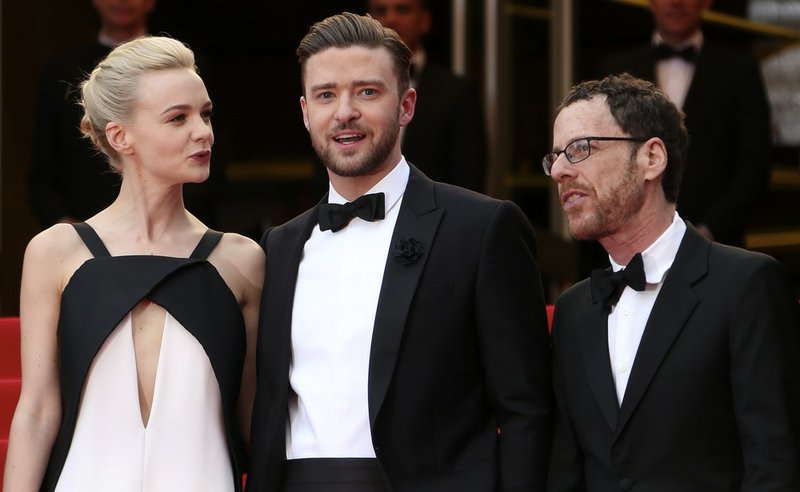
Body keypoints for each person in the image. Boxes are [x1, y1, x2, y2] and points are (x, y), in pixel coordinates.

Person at [247, 12, 551, 492]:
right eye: (326, 95)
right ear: (306, 112)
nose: (344, 111)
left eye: (367, 92)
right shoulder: (279, 246)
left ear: (407, 105)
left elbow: (526, 409)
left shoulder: (481, 228)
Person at [4, 36, 264, 491]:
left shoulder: (240, 260)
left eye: (205, 114)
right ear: (120, 136)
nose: (203, 132)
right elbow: (38, 410)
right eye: (178, 118)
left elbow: (254, 423)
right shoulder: (55, 252)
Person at [545, 73, 800, 491]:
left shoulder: (747, 285)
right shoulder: (575, 310)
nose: (558, 171)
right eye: (554, 156)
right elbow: (566, 472)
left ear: (652, 158)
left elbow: (775, 464)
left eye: (580, 149)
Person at [596, 0, 771, 248]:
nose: (676, 2)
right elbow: (604, 159)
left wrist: (710, 229)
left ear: (707, 2)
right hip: (630, 244)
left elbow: (755, 165)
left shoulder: (740, 71)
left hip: (719, 247)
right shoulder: (614, 70)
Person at [29, 0, 156, 227]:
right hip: (83, 229)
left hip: (165, 230)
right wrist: (69, 229)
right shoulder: (61, 73)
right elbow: (43, 172)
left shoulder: (183, 70)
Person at [368, 0, 489, 192]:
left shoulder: (458, 92)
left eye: (402, 9)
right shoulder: (345, 88)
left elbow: (469, 181)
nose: (390, 19)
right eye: (381, 11)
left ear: (424, 20)